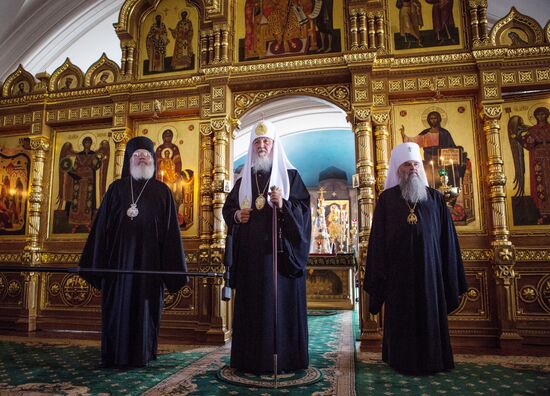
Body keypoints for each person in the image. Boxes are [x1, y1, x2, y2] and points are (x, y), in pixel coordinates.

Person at [79, 136, 188, 368]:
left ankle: (143, 354)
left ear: (153, 160)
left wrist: (172, 270)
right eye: (137, 154)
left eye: (146, 155)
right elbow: (101, 230)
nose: (142, 158)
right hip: (117, 266)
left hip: (150, 266)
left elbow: (171, 235)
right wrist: (97, 263)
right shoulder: (116, 189)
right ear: (129, 160)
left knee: (145, 312)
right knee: (116, 310)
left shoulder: (162, 192)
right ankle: (113, 354)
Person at [363, 142, 467, 374]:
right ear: (398, 169)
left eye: (415, 164)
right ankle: (401, 359)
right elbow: (378, 240)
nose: (412, 169)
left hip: (430, 272)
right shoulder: (387, 200)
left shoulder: (436, 199)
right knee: (402, 316)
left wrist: (447, 271)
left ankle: (434, 359)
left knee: (430, 313)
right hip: (398, 275)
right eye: (406, 165)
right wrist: (380, 274)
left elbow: (447, 240)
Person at [223, 120, 311, 374]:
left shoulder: (289, 175)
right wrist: (237, 215)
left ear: (274, 145)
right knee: (252, 309)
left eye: (266, 142)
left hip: (279, 259)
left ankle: (285, 359)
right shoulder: (244, 178)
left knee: (278, 308)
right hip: (251, 260)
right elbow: (228, 208)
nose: (262, 146)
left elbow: (304, 211)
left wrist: (284, 204)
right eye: (257, 142)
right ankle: (249, 359)